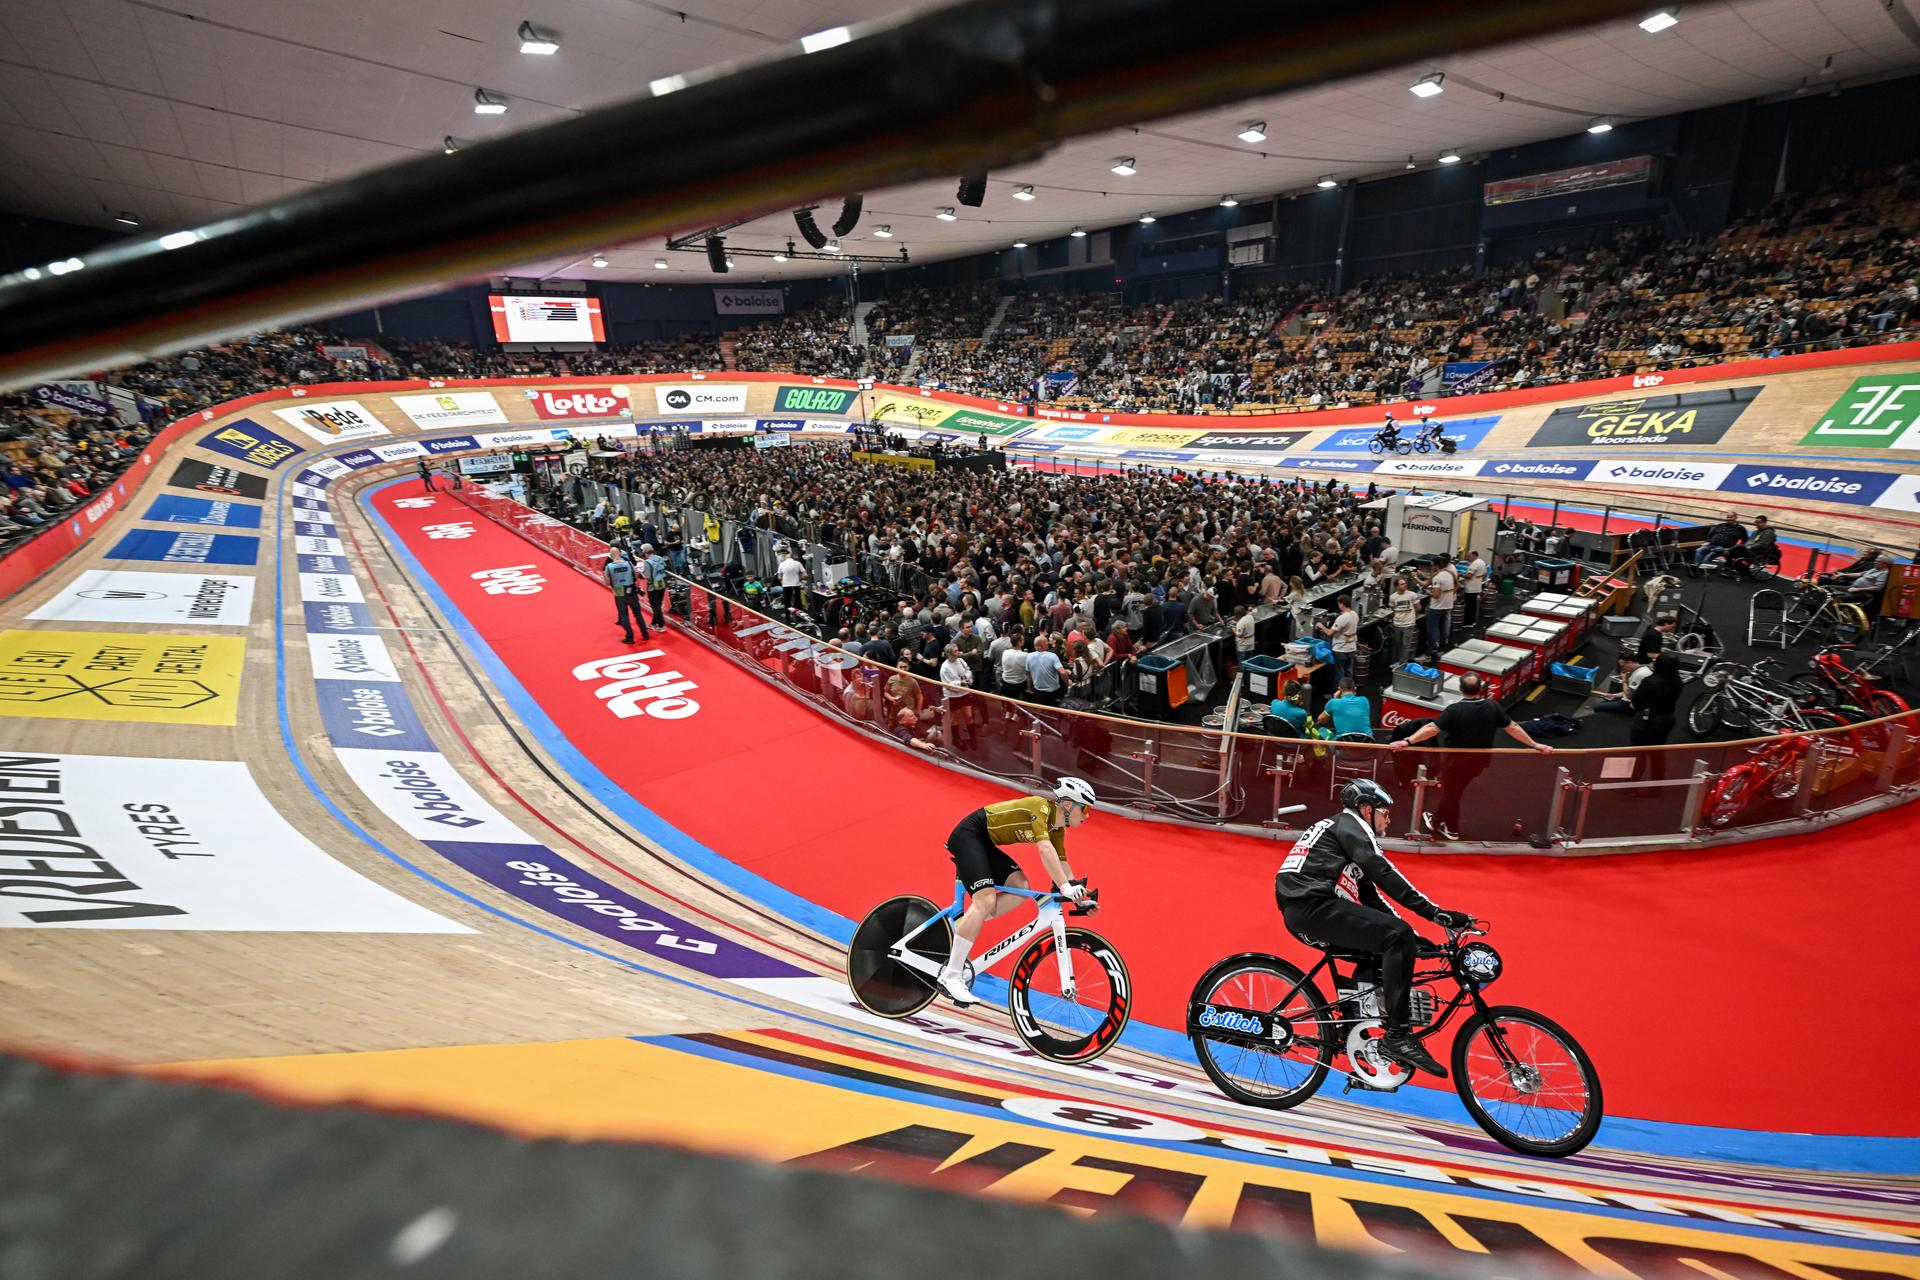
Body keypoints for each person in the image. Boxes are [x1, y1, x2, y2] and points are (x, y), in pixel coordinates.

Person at [1273, 779, 1472, 1078]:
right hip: (1313, 905)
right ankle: (1398, 1036)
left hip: (1308, 908)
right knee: (1396, 937)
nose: (1389, 818)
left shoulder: (1343, 832)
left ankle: (1360, 1028)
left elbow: (1372, 899)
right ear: (1366, 809)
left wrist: (1416, 939)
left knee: (1391, 941)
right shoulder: (1350, 824)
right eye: (1385, 812)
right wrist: (1434, 913)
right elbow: (1383, 872)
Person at [936, 778, 1098, 1005]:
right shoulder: (1040, 806)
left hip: (984, 844)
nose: (1088, 815)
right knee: (985, 899)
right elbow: (1044, 849)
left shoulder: (1058, 828)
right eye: (1086, 808)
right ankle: (951, 976)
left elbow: (1061, 863)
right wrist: (1064, 887)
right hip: (969, 835)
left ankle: (965, 925)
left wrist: (1079, 898)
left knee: (1021, 888)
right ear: (1068, 805)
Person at [1390, 672, 1552, 840]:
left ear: (1460, 689)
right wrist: (1535, 744)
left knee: (1451, 794)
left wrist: (1407, 741)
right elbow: (1513, 728)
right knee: (1454, 792)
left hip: (1455, 762)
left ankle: (1452, 830)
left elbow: (1431, 729)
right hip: (1478, 763)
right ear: (1481, 689)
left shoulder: (1454, 709)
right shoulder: (1493, 706)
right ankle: (1436, 820)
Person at [1631, 652, 1683, 779]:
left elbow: (1636, 701)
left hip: (1647, 721)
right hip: (1667, 719)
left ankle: (1630, 785)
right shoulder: (1677, 681)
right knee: (1657, 753)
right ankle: (1656, 785)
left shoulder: (1650, 681)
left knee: (1638, 753)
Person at [603, 546, 648, 644]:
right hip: (631, 590)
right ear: (619, 553)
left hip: (619, 592)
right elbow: (635, 576)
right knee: (638, 613)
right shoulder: (628, 563)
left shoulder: (609, 567)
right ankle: (645, 634)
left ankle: (630, 637)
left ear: (611, 556)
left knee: (624, 615)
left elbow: (607, 582)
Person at [1318, 595, 1358, 683]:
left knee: (1339, 674)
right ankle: (1349, 691)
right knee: (1349, 672)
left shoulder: (1342, 618)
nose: (1338, 606)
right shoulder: (1355, 614)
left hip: (1341, 650)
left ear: (1343, 604)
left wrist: (1321, 626)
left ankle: (1338, 694)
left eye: (1339, 604)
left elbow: (1329, 633)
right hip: (1351, 648)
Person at [1423, 559, 1456, 661]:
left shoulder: (1437, 578)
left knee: (1432, 630)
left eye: (1432, 565)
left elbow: (1436, 595)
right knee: (1444, 630)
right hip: (1448, 606)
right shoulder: (1450, 573)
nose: (1431, 567)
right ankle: (1441, 651)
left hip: (1436, 607)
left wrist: (1427, 592)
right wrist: (1448, 595)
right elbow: (1458, 585)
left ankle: (1429, 654)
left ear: (1437, 566)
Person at [1387, 574, 1420, 669]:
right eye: (1401, 584)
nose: (1404, 585)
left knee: (1405, 645)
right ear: (1396, 586)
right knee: (1397, 644)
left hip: (1408, 624)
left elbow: (1418, 607)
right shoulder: (1393, 597)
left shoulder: (1412, 595)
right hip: (1397, 624)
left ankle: (1402, 664)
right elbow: (1393, 608)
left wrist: (1413, 618)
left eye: (1405, 583)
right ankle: (1397, 661)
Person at [1026, 633, 1065, 706]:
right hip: (1053, 692)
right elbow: (1063, 673)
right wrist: (1067, 682)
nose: (1048, 643)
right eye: (1046, 642)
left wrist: (1030, 688)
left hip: (1038, 691)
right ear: (1041, 645)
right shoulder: (1053, 656)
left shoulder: (1029, 656)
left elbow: (1028, 676)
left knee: (1041, 709)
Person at [642, 543, 670, 627]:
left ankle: (661, 625)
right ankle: (653, 623)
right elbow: (664, 567)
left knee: (655, 607)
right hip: (662, 584)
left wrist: (641, 574)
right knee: (658, 605)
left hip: (653, 586)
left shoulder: (647, 562)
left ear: (645, 552)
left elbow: (647, 576)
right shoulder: (660, 558)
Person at [1460, 550, 1488, 627]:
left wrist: (1461, 574)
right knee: (1473, 605)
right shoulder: (1481, 562)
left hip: (1470, 588)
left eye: (1469, 556)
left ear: (1474, 555)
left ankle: (1467, 623)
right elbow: (1485, 573)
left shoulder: (1474, 564)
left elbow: (1469, 576)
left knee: (1469, 606)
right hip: (1477, 587)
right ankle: (1472, 621)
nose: (1467, 558)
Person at [776, 545, 807, 615]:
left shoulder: (781, 564)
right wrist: (799, 578)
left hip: (786, 585)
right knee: (798, 601)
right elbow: (805, 574)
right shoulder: (798, 563)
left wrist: (783, 581)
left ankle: (788, 617)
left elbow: (779, 577)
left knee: (787, 602)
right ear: (793, 557)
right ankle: (799, 616)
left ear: (785, 558)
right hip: (796, 584)